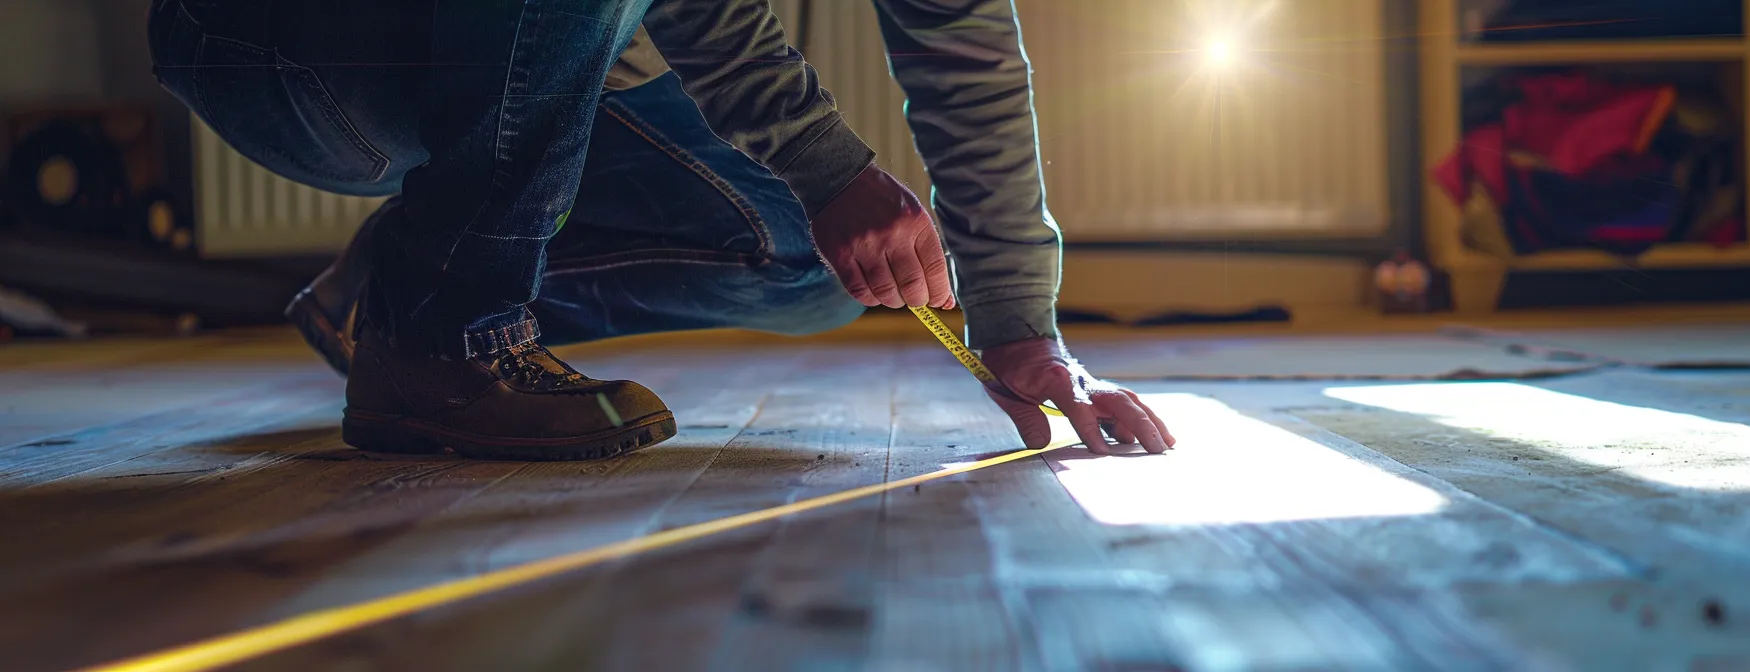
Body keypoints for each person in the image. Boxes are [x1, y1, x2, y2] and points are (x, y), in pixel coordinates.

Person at [149, 0, 1175, 461]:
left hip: (523, 53)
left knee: (809, 263)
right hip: (283, 42)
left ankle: (410, 280)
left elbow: (967, 59)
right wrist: (831, 167)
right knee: (823, 202)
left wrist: (1020, 324)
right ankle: (445, 333)